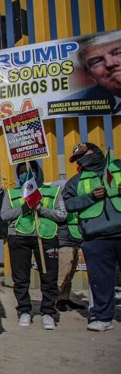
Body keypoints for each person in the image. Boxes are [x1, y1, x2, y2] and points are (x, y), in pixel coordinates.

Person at [63, 142, 121, 331]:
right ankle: (103, 317)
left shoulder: (118, 167)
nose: (81, 159)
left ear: (96, 151)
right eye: (78, 158)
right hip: (96, 238)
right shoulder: (76, 181)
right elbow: (66, 204)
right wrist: (90, 197)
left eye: (83, 154)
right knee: (100, 280)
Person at [0, 160, 65, 330]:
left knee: (49, 277)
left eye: (28, 170)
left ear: (38, 172)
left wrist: (41, 209)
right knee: (20, 278)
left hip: (46, 236)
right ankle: (24, 310)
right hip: (19, 237)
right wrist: (24, 208)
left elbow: (61, 215)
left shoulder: (53, 191)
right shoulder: (12, 193)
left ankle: (48, 312)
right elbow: (5, 216)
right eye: (21, 171)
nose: (25, 174)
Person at [75, 31, 121, 114]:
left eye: (118, 53)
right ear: (90, 75)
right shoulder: (80, 110)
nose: (109, 63)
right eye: (97, 61)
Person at [56, 191, 87, 312]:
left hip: (75, 240)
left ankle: (63, 299)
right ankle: (52, 299)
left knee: (70, 273)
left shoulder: (76, 203)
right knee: (63, 272)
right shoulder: (61, 204)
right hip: (64, 241)